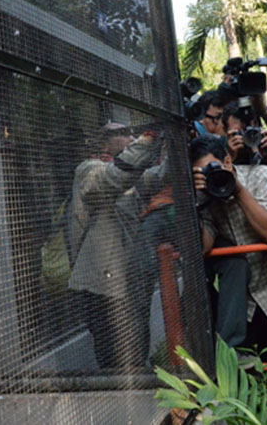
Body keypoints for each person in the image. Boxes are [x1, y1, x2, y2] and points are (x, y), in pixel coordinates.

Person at [67, 123, 166, 369]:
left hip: (130, 281)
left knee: (137, 352)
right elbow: (116, 176)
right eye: (125, 134)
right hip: (102, 288)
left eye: (134, 133)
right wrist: (150, 137)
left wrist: (177, 144)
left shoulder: (130, 175)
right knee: (115, 360)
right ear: (103, 144)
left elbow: (159, 176)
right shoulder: (88, 170)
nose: (132, 137)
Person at [191, 135, 267, 355]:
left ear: (228, 162)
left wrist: (237, 189)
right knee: (251, 373)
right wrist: (192, 200)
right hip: (244, 304)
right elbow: (204, 246)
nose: (211, 177)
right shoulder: (203, 197)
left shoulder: (259, 176)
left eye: (214, 168)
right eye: (203, 174)